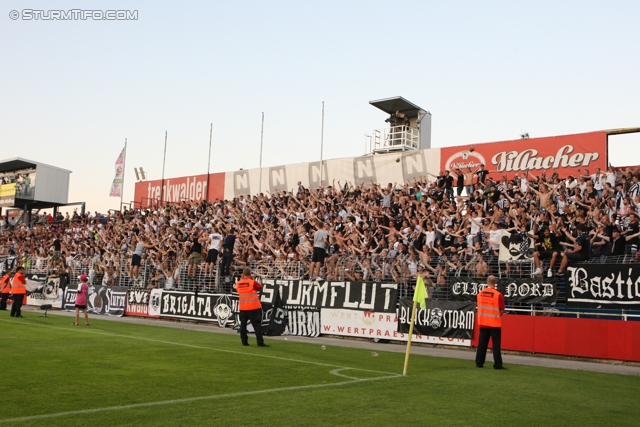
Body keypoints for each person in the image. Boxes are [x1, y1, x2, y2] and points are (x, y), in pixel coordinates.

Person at [475, 275, 506, 370]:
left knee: (482, 344)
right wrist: (496, 316)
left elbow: (479, 306)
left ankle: (479, 362)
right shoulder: (498, 295)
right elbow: (501, 310)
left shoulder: (480, 294)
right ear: (495, 283)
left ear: (486, 282)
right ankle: (497, 364)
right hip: (494, 323)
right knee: (496, 345)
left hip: (483, 322)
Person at [235, 268, 268, 347]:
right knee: (257, 325)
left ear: (243, 274)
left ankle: (244, 341)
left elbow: (238, 290)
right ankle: (260, 342)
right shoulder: (252, 282)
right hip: (253, 307)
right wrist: (251, 279)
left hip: (243, 307)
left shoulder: (238, 283)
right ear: (250, 274)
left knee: (243, 325)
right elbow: (259, 287)